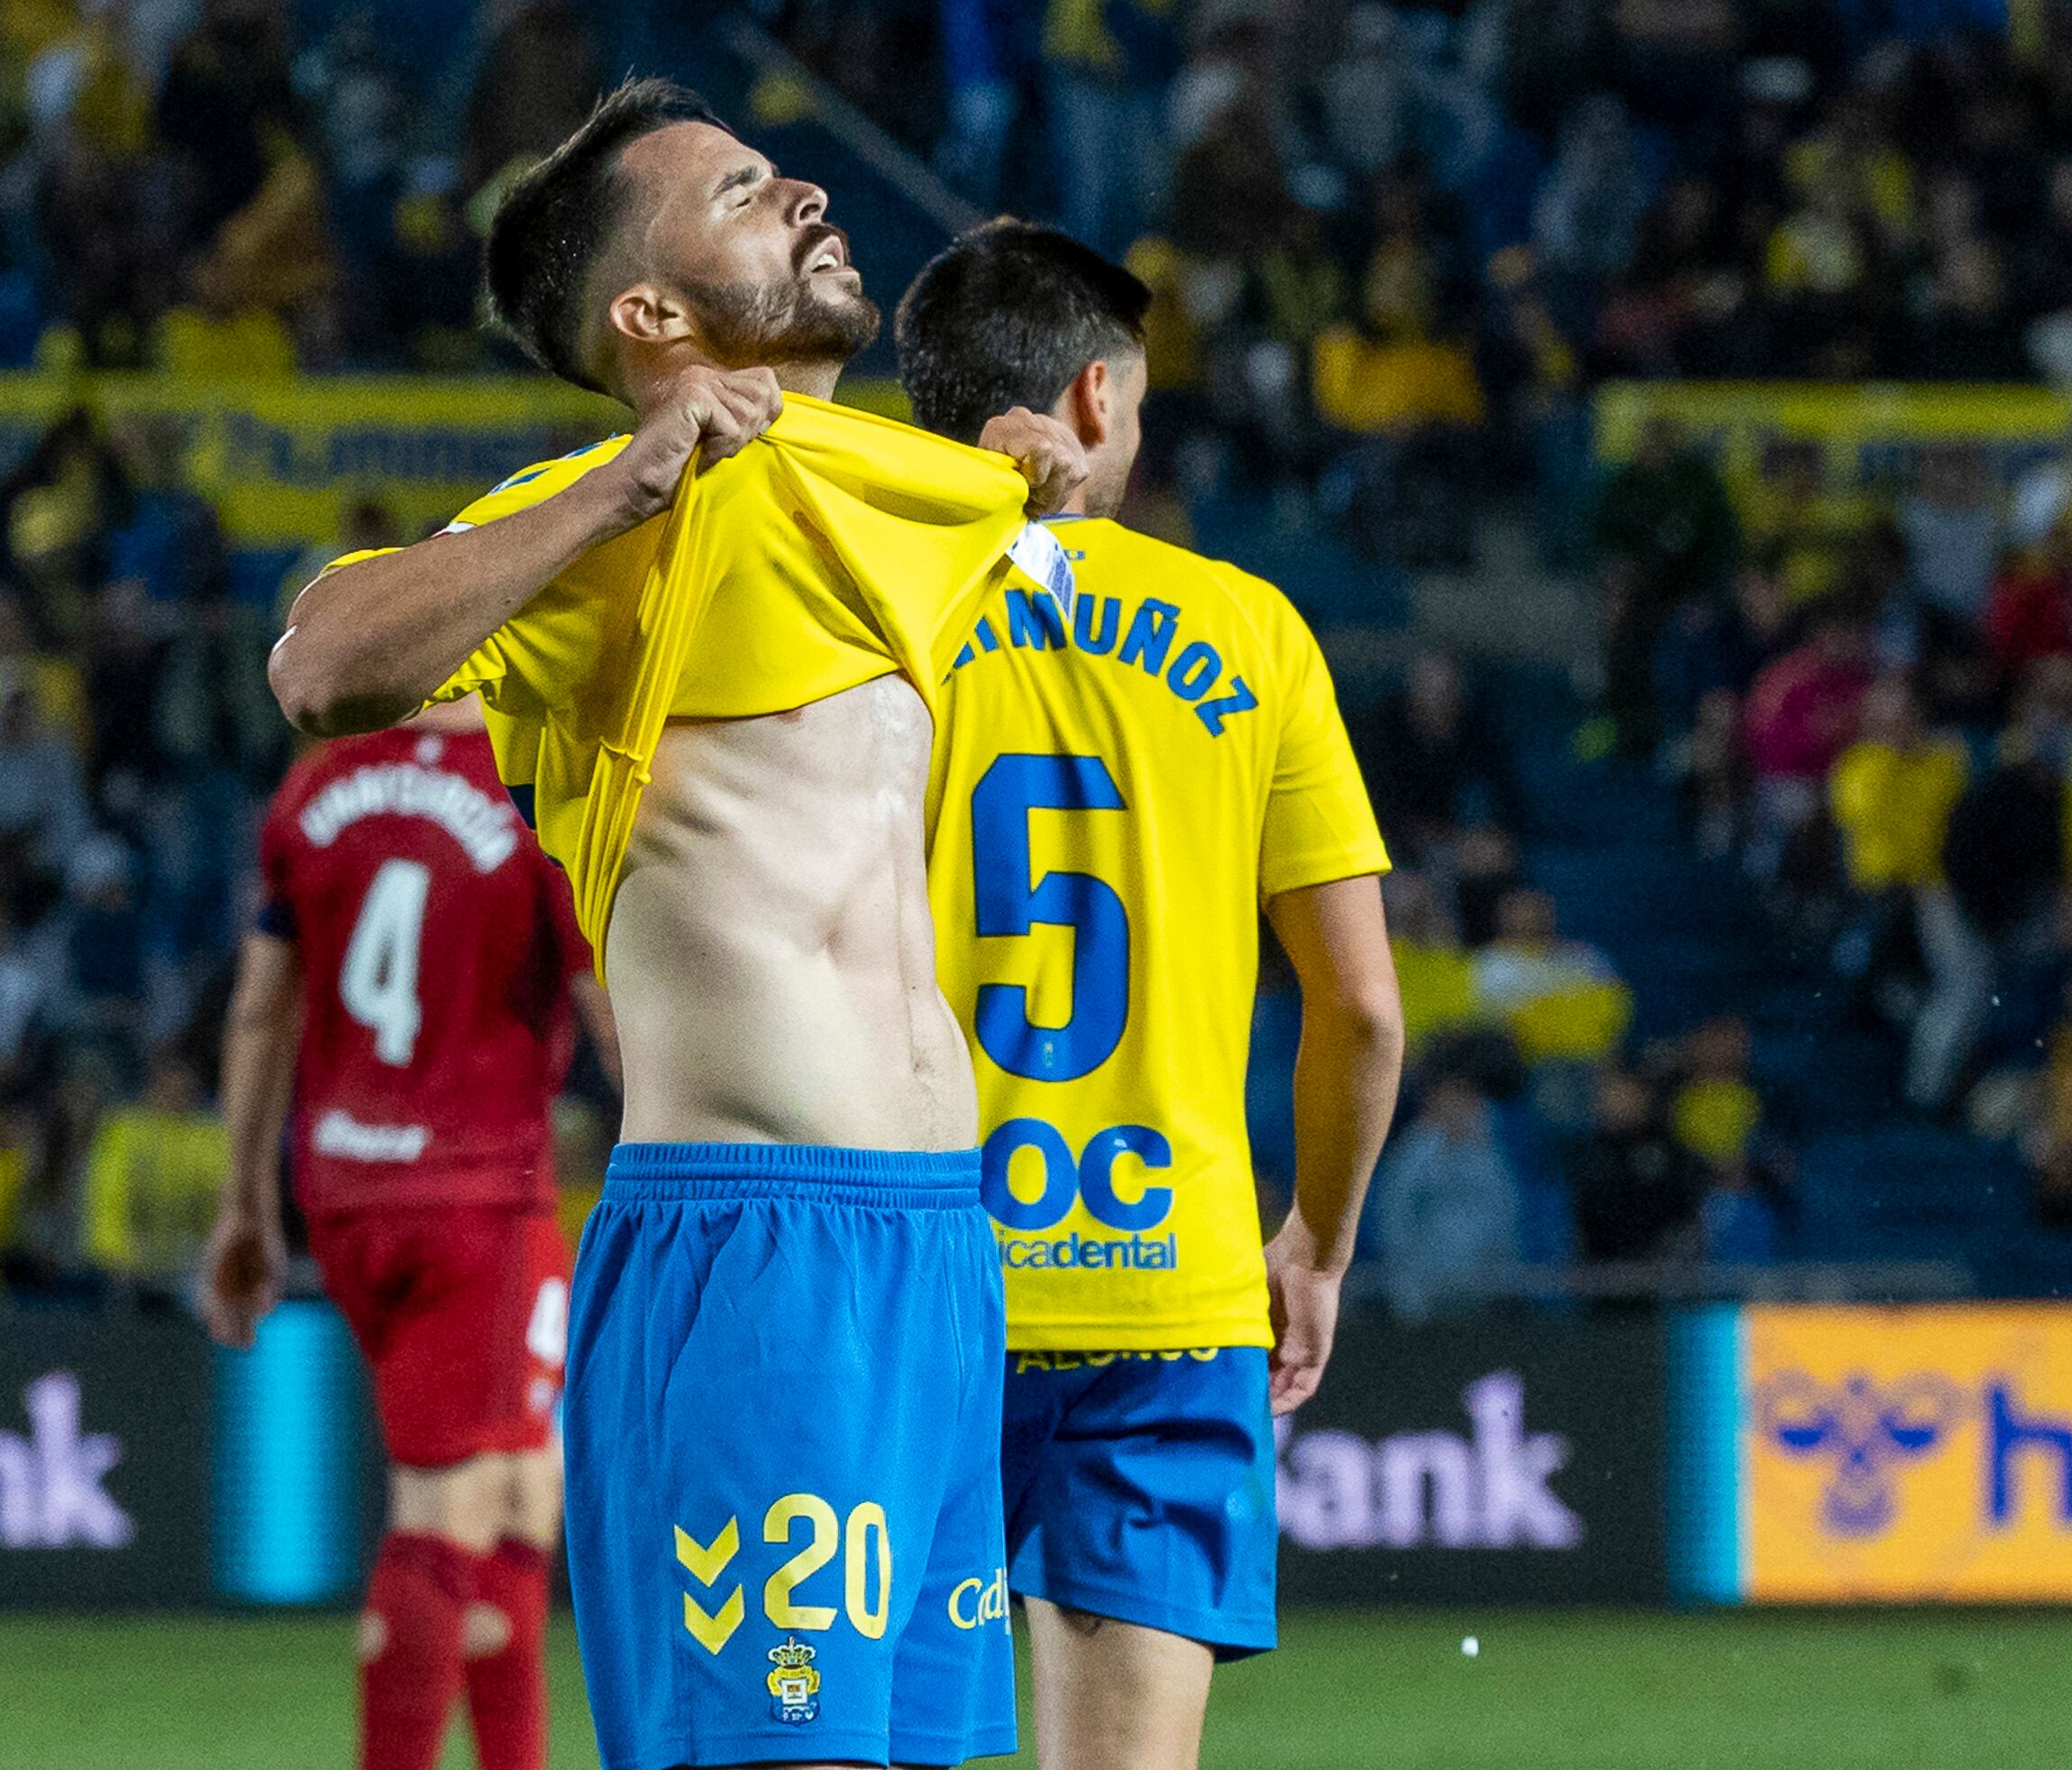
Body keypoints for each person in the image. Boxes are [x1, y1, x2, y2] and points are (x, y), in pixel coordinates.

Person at [263, 79, 1087, 1770]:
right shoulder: (602, 519)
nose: (795, 187)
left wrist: (1041, 496)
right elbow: (321, 663)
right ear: (647, 313)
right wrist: (615, 491)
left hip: (937, 1257)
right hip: (752, 1252)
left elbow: (1018, 541)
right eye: (733, 190)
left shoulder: (885, 492)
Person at [898, 221, 1404, 1770]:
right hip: (1170, 1288)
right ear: (1100, 399)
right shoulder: (1253, 633)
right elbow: (1362, 1009)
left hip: (907, 1266)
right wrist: (1312, 1237)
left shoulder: (856, 620)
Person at [199, 698, 615, 1770]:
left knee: (527, 1492)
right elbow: (608, 1009)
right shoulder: (532, 796)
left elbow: (259, 1010)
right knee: (448, 1505)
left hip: (347, 1191)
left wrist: (245, 1201)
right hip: (480, 1194)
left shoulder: (315, 789)